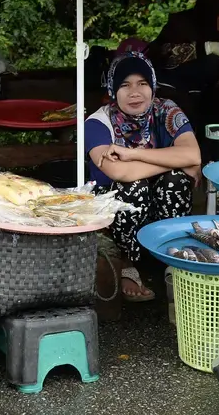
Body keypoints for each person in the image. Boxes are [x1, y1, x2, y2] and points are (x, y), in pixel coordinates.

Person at [85, 52, 203, 302]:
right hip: (118, 210)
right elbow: (119, 172)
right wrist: (176, 160)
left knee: (175, 180)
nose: (134, 92)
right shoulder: (97, 123)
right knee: (134, 185)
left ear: (153, 86)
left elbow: (193, 153)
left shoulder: (167, 111)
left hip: (159, 202)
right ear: (113, 90)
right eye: (125, 85)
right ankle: (129, 262)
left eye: (142, 84)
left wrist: (130, 154)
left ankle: (174, 259)